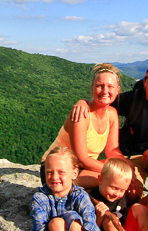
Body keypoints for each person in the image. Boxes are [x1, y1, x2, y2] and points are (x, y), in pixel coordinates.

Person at [71, 61, 148, 182]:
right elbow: (102, 100)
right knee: (131, 192)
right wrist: (83, 102)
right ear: (144, 81)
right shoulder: (132, 98)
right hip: (132, 157)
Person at [43, 63, 126, 191]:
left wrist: (124, 166)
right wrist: (115, 172)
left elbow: (112, 150)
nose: (105, 91)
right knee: (113, 181)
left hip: (83, 169)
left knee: (121, 180)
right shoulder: (82, 114)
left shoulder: (112, 114)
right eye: (99, 86)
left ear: (117, 90)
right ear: (92, 88)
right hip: (56, 169)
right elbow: (81, 159)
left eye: (110, 87)